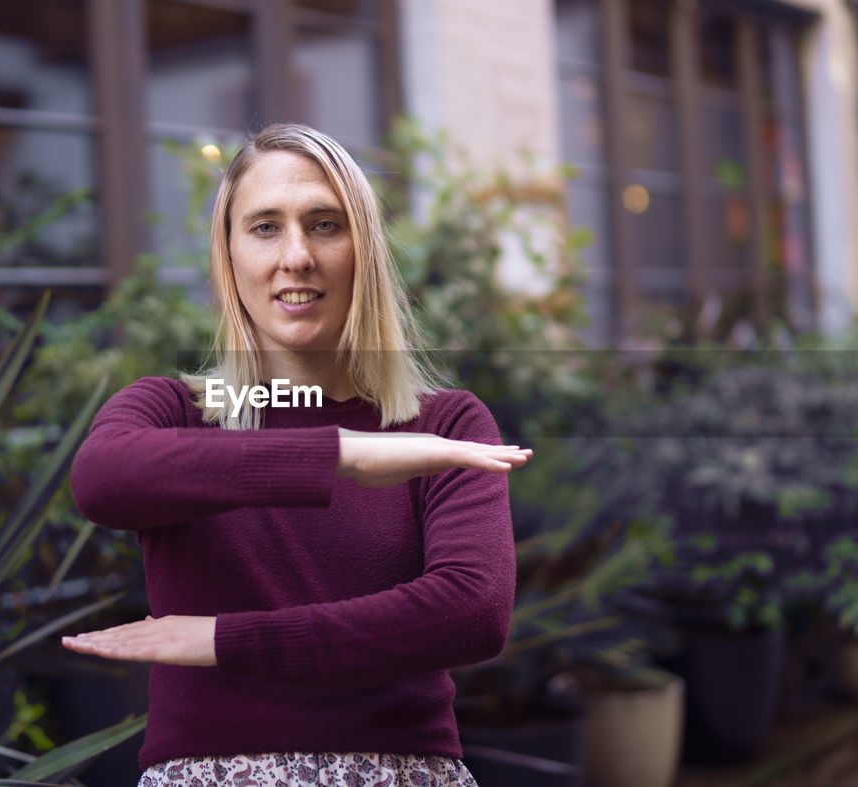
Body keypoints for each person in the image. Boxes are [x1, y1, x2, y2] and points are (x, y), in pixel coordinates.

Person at [64, 123, 532, 786]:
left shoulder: (445, 423)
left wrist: (225, 640)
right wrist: (338, 454)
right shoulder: (172, 411)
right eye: (264, 227)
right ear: (227, 256)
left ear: (362, 250)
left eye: (324, 224)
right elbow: (100, 479)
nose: (297, 255)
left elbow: (472, 612)